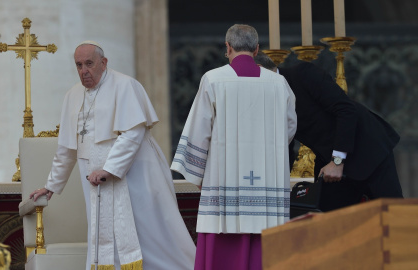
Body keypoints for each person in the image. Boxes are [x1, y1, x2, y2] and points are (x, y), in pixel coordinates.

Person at [29, 41, 195, 270]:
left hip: (135, 173)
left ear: (103, 63)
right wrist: (51, 185)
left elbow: (133, 133)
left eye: (89, 64)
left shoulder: (125, 85)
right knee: (102, 234)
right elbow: (67, 148)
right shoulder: (72, 95)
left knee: (149, 231)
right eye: (78, 65)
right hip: (94, 176)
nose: (83, 71)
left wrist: (110, 168)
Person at [171, 25, 297, 270]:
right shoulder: (279, 83)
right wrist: (271, 152)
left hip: (223, 181)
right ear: (257, 49)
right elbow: (289, 127)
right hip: (267, 184)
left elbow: (200, 130)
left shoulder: (213, 79)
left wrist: (199, 174)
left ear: (227, 47)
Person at [255, 52, 404, 212]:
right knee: (327, 219)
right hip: (329, 161)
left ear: (259, 69)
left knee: (395, 215)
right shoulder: (270, 102)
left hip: (368, 150)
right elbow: (286, 145)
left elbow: (346, 110)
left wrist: (337, 161)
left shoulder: (302, 73)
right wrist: (280, 187)